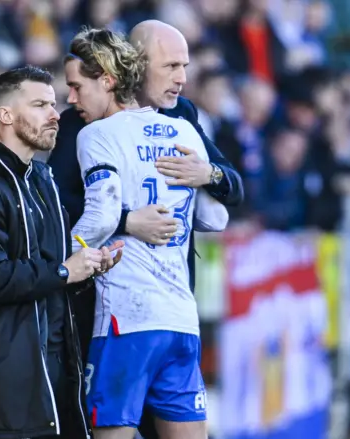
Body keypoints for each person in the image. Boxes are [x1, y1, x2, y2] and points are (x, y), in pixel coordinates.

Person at [48, 19, 243, 439]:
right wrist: (127, 220)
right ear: (135, 64)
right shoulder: (78, 126)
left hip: (131, 314)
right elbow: (57, 204)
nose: (182, 78)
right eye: (172, 65)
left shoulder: (182, 116)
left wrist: (208, 172)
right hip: (140, 314)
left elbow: (232, 191)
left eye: (185, 65)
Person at [0, 65, 121, 439]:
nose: (55, 115)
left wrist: (88, 269)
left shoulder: (43, 180)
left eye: (53, 104)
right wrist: (66, 272)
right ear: (5, 115)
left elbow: (54, 271)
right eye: (40, 105)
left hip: (49, 378)